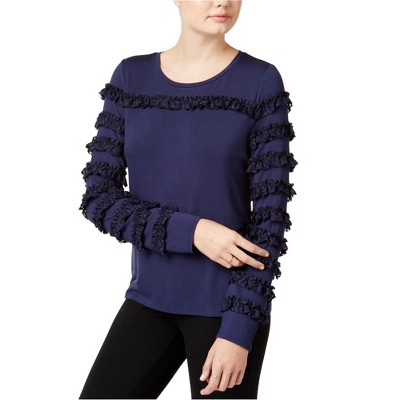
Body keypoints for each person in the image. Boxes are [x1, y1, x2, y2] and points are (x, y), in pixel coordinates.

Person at [79, 0, 296, 398]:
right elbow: (99, 198)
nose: (223, 2)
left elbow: (270, 224)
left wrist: (238, 331)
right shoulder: (131, 77)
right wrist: (193, 231)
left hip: (227, 306)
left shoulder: (260, 81)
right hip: (148, 298)